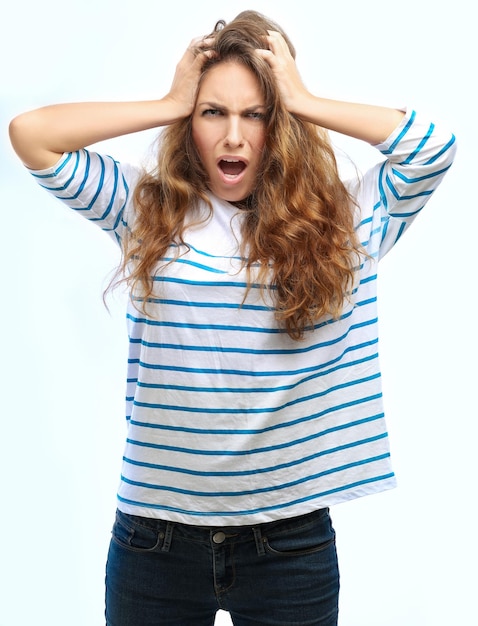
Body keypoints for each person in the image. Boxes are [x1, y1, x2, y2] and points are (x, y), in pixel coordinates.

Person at [9, 9, 456, 626]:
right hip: (154, 541)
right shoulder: (146, 210)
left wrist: (302, 97)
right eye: (212, 112)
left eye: (257, 114)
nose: (233, 138)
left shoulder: (344, 219)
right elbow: (33, 135)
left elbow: (435, 149)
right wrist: (167, 101)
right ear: (189, 122)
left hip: (289, 545)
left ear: (284, 124)